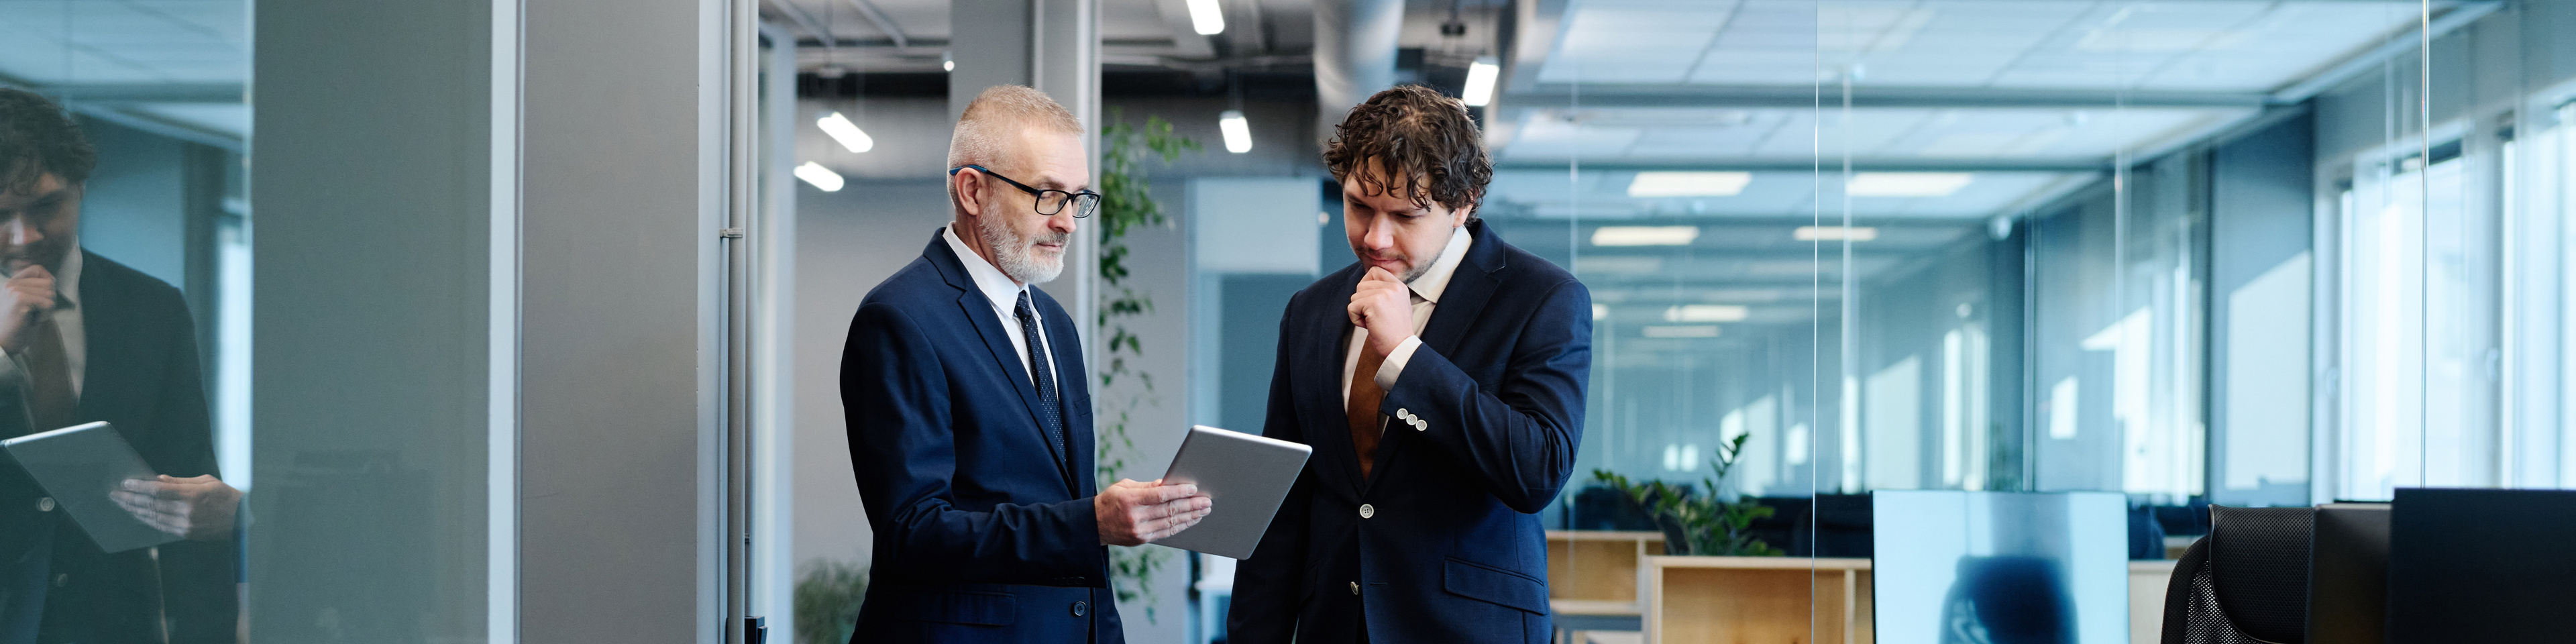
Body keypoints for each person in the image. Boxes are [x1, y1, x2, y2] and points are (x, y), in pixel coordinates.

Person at [839, 85, 1212, 643]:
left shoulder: (1053, 324)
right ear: (972, 191)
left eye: (1078, 198)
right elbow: (912, 533)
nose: (1068, 222)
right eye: (1047, 195)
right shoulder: (899, 319)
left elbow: (1068, 517)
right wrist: (1091, 523)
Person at [1228, 85, 1593, 643]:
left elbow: (1537, 470)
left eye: (1404, 215)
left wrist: (1406, 357)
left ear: (1463, 205)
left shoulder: (1543, 298)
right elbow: (1283, 501)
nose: (1375, 237)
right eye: (1358, 206)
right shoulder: (1310, 311)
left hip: (1468, 628)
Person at [0, 88, 241, 643]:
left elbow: (188, 490)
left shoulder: (152, 308)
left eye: (46, 206)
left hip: (109, 624)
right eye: (1, 215)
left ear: (81, 189)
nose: (26, 237)